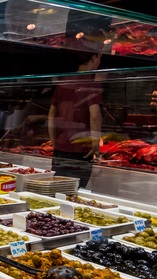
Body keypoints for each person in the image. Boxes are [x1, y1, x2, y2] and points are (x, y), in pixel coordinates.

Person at [47, 51, 103, 187]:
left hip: (60, 149)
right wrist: (96, 146)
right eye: (100, 58)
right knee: (74, 193)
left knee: (57, 191)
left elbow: (51, 115)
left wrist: (54, 141)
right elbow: (95, 116)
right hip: (81, 151)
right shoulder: (92, 83)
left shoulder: (64, 82)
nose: (100, 62)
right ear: (93, 58)